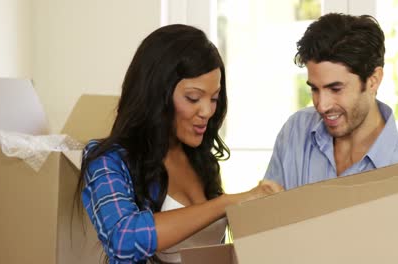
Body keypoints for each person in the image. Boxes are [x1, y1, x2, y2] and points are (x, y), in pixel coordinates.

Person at [76, 24, 283, 264]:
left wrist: (255, 208)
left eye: (214, 98)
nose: (207, 111)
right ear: (156, 94)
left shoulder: (200, 159)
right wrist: (227, 202)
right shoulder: (108, 161)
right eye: (193, 98)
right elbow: (123, 239)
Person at [264, 13, 398, 261]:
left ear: (374, 80)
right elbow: (265, 236)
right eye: (314, 88)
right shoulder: (295, 134)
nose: (322, 105)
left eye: (336, 89)